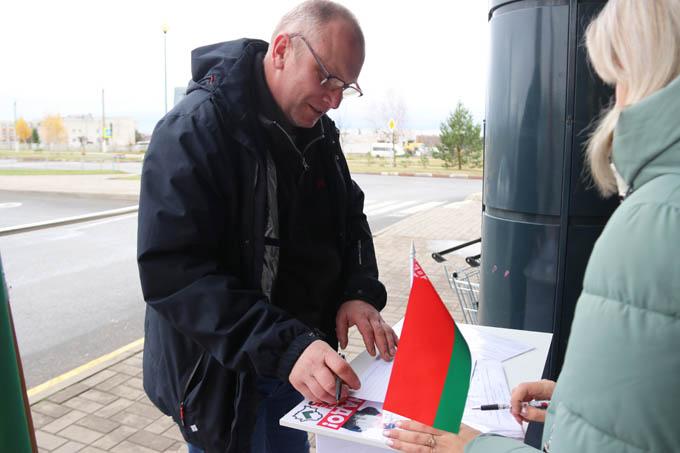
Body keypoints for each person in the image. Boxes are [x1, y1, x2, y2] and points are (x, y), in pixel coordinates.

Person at [383, 0, 680, 451]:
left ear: (645, 71)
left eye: (616, 77)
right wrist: (581, 406)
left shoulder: (654, 222)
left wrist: (468, 447)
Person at [136, 2, 398, 452]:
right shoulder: (194, 130)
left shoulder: (318, 131)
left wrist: (357, 289)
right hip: (228, 376)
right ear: (281, 50)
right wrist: (286, 346)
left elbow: (349, 218)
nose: (334, 99)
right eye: (328, 78)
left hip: (298, 364)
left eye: (347, 87)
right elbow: (174, 274)